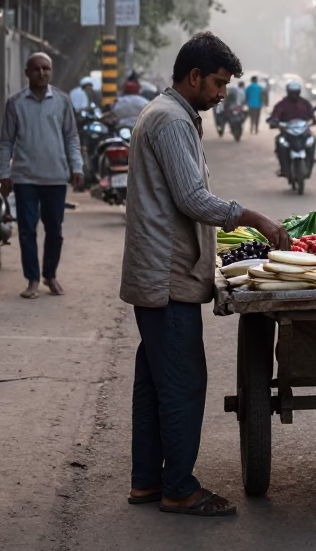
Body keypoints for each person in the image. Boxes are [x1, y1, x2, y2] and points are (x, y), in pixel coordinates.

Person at [120, 31, 289, 517]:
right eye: (216, 83)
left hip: (159, 269)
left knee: (154, 382)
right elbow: (192, 200)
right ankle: (179, 487)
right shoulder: (172, 120)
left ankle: (146, 483)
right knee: (184, 383)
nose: (221, 94)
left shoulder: (168, 113)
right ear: (193, 76)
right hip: (166, 274)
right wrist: (254, 217)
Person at [0, 53, 84, 299]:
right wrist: (5, 172)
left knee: (54, 230)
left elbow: (71, 137)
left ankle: (50, 274)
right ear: (27, 73)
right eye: (36, 69)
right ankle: (32, 279)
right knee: (27, 230)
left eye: (46, 68)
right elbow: (6, 142)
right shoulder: (15, 103)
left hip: (56, 177)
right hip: (25, 177)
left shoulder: (62, 101)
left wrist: (76, 166)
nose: (42, 73)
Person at [268, 79, 316, 176]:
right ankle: (283, 168)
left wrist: (313, 120)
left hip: (303, 131)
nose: (294, 95)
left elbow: (311, 113)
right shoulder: (282, 104)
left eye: (296, 92)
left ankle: (310, 159)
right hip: (287, 132)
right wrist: (274, 121)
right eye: (292, 92)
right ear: (288, 92)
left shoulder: (305, 103)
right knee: (279, 141)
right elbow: (275, 115)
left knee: (313, 139)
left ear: (299, 92)